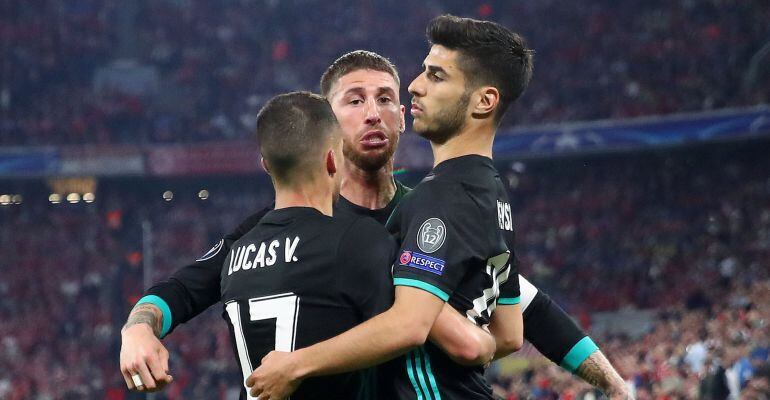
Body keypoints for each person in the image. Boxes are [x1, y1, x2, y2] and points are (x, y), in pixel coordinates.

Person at [120, 45, 628, 400]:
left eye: (386, 98)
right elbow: (183, 288)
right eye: (354, 100)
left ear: (404, 118)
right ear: (327, 124)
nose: (373, 113)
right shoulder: (282, 226)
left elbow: (528, 304)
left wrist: (611, 383)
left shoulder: (435, 213)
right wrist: (138, 328)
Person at [247, 15, 530, 400]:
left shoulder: (436, 198)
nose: (414, 86)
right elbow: (509, 335)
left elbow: (411, 326)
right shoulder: (492, 194)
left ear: (484, 101)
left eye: (436, 76)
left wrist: (295, 364)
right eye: (355, 100)